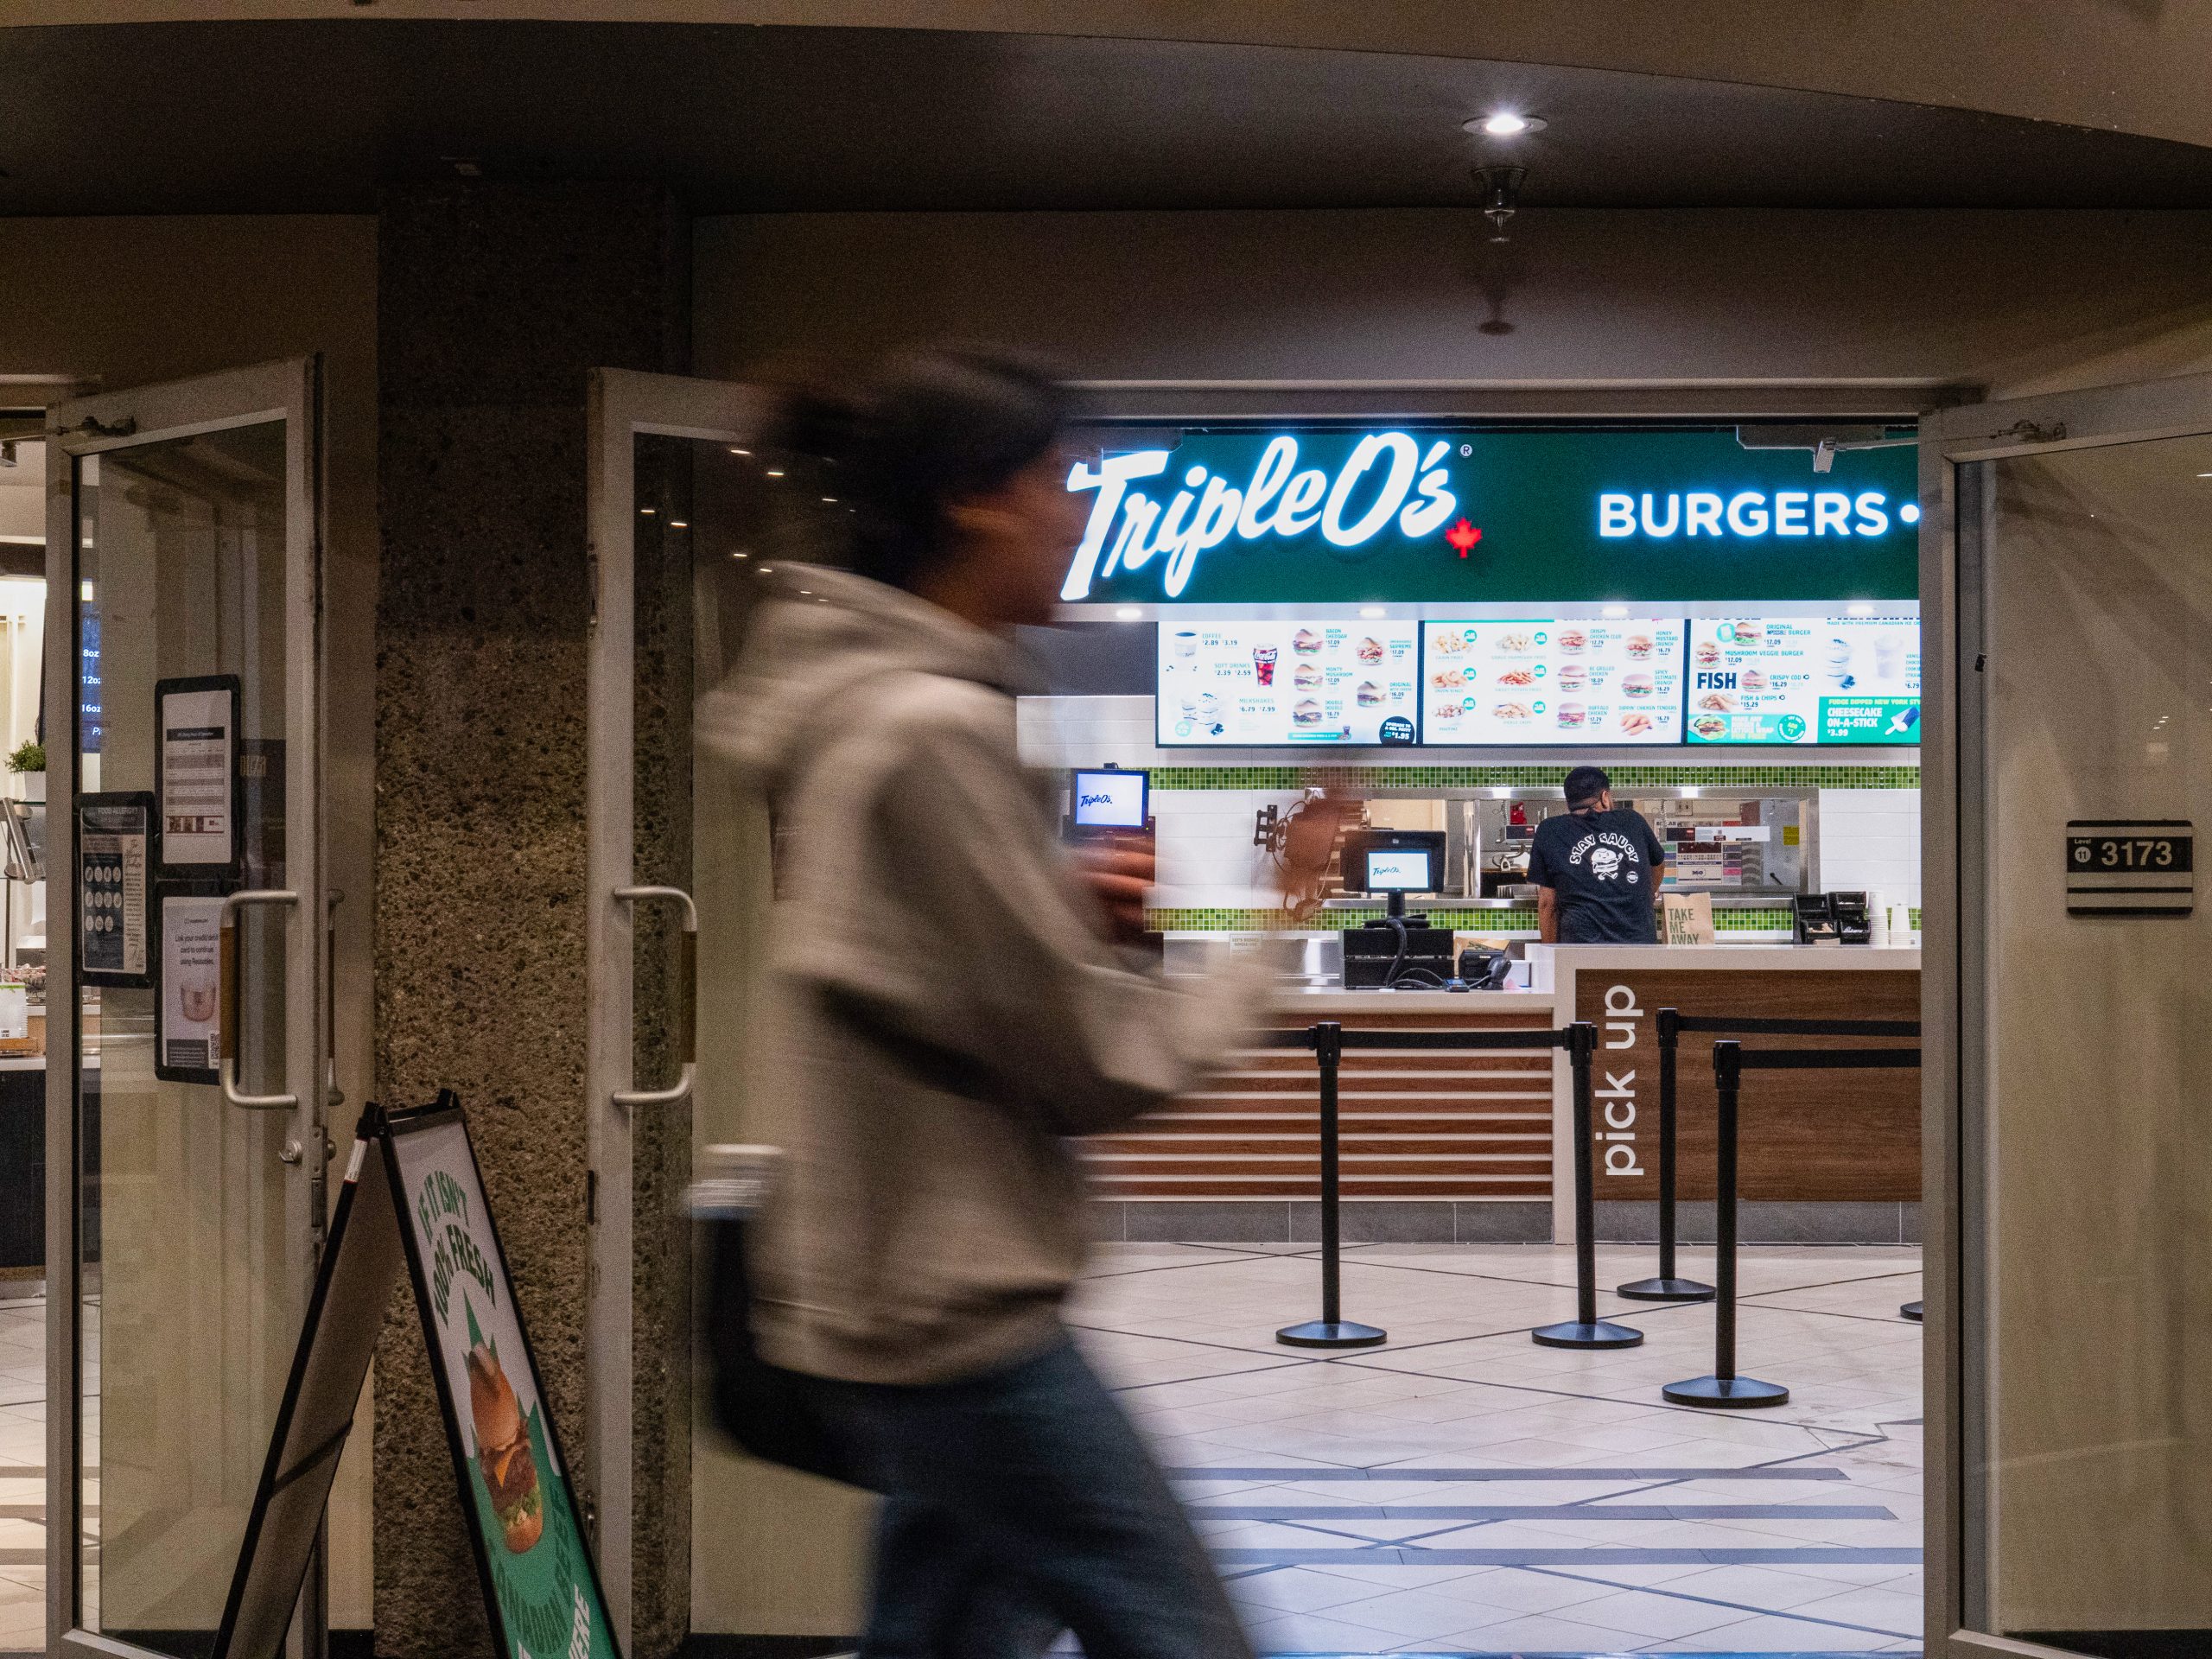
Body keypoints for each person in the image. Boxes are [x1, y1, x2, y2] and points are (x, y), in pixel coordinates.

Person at [702, 345, 1345, 1659]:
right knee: (1189, 1639)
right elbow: (1103, 1064)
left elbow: (934, 992)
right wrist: (1283, 917)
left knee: (938, 1642)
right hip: (955, 1324)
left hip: (894, 1301)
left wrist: (1064, 923)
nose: (1083, 513)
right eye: (1068, 478)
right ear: (976, 498)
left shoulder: (862, 712)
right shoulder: (925, 732)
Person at [1528, 764, 1668, 944]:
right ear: (1605, 797)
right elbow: (1658, 864)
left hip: (1580, 950)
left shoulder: (1550, 830)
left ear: (1569, 802)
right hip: (1638, 948)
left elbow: (1547, 903)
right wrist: (1649, 894)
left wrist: (1549, 956)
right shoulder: (1633, 821)